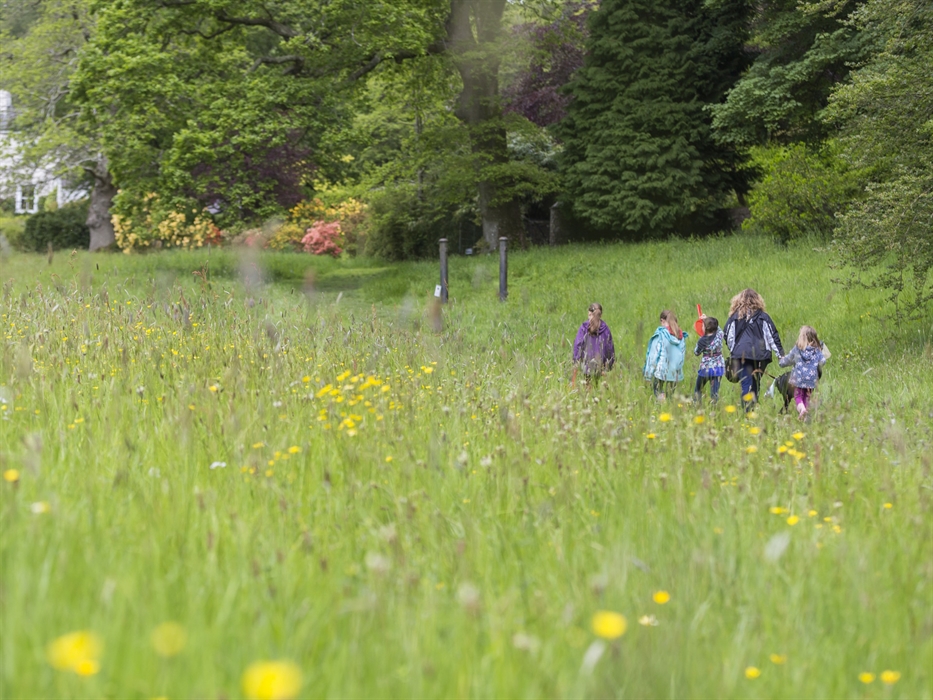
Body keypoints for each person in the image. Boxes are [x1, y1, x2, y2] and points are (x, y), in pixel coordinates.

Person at [724, 289, 783, 411]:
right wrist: (780, 354)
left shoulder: (735, 317)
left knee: (746, 382)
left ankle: (747, 411)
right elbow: (772, 336)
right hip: (760, 356)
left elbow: (728, 335)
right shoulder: (763, 317)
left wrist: (734, 350)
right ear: (758, 301)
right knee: (755, 381)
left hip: (741, 355)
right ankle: (751, 409)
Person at [778, 325, 826, 420]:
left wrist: (781, 362)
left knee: (798, 396)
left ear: (801, 337)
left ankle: (802, 410)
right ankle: (805, 417)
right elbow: (823, 361)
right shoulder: (817, 350)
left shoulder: (797, 348)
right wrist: (815, 362)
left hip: (798, 379)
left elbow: (787, 360)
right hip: (811, 380)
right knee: (807, 397)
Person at [643, 310, 688, 400]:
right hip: (675, 373)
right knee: (670, 397)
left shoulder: (661, 335)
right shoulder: (680, 336)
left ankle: (661, 404)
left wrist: (648, 374)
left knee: (658, 392)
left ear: (662, 321)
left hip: (661, 371)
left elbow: (653, 356)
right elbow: (682, 355)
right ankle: (668, 405)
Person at [572, 303, 615, 383]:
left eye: (590, 315)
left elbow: (578, 345)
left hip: (589, 367)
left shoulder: (584, 327)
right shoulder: (605, 329)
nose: (590, 318)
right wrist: (609, 365)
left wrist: (576, 360)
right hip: (599, 368)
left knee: (589, 385)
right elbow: (610, 348)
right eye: (589, 315)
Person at [694, 316, 724, 403]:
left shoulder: (702, 341)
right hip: (718, 368)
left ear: (706, 328)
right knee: (714, 392)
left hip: (706, 369)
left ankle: (696, 404)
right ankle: (714, 407)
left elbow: (696, 352)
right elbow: (720, 331)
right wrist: (706, 318)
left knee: (698, 389)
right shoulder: (718, 336)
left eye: (703, 325)